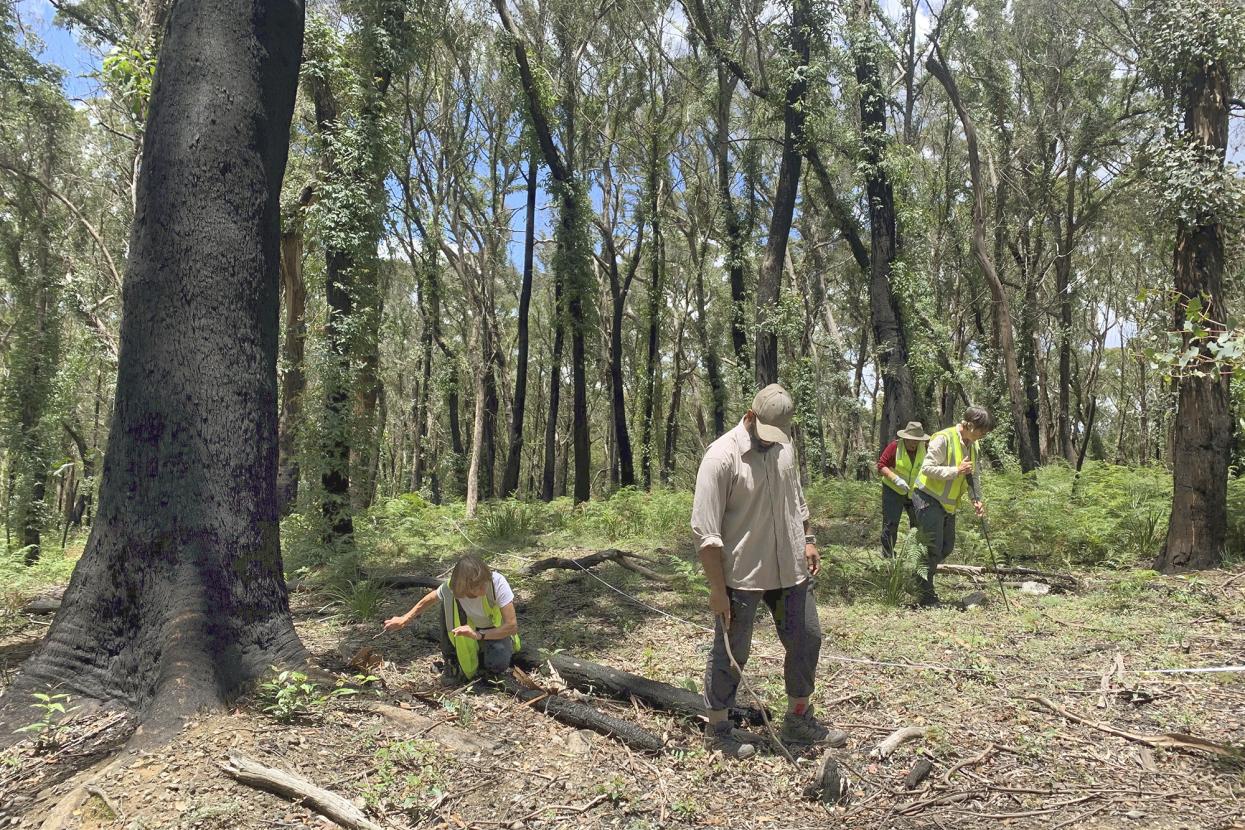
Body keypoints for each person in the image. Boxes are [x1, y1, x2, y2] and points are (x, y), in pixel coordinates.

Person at [691, 383, 848, 759]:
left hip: (790, 568)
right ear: (749, 416)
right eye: (766, 434)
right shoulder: (720, 458)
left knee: (806, 638)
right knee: (732, 652)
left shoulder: (785, 448)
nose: (771, 441)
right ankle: (719, 729)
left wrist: (808, 538)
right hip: (741, 575)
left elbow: (796, 498)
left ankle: (798, 718)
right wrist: (716, 589)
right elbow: (706, 533)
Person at [382, 554, 519, 680]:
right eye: (477, 586)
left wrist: (479, 635)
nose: (483, 588)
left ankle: (490, 652)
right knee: (446, 604)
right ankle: (451, 658)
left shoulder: (497, 583)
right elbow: (431, 598)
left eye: (484, 583)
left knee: (497, 665)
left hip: (493, 629)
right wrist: (405, 619)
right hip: (468, 626)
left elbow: (511, 626)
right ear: (465, 585)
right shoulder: (452, 588)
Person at [911, 406, 995, 606]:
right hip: (927, 497)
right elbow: (928, 468)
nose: (984, 434)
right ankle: (926, 595)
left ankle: (917, 577)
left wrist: (977, 498)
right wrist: (955, 471)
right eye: (982, 430)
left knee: (946, 546)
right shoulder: (943, 438)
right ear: (969, 425)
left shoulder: (973, 445)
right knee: (932, 547)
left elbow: (972, 475)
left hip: (948, 503)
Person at [876, 421, 930, 559]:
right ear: (905, 438)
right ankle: (888, 556)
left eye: (917, 441)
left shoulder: (924, 448)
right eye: (911, 440)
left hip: (914, 491)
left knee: (918, 523)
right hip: (893, 490)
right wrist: (896, 479)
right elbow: (881, 465)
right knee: (891, 523)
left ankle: (916, 556)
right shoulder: (895, 447)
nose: (914, 444)